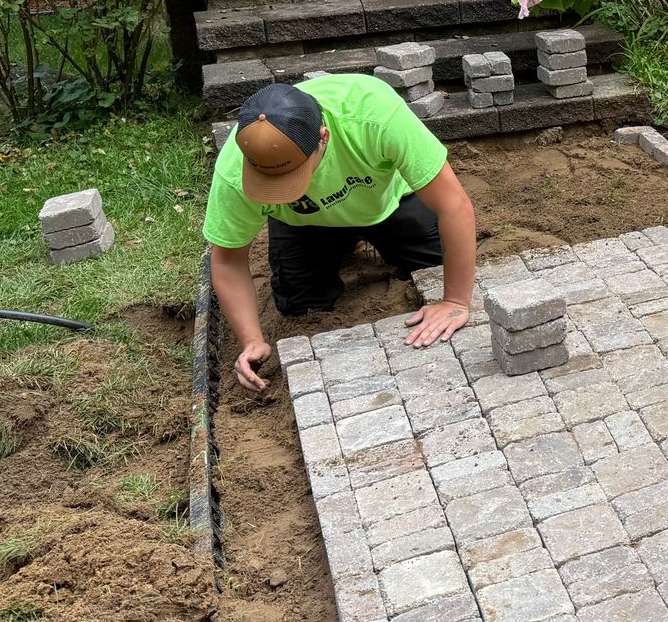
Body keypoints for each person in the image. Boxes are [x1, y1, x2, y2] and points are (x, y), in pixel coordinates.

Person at [203, 76, 477, 392]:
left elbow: (454, 205)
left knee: (437, 267)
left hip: (387, 202)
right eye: (271, 182)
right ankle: (340, 246)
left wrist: (455, 301)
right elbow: (227, 261)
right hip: (304, 223)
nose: (283, 187)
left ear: (324, 138)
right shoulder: (234, 171)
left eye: (293, 177)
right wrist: (251, 339)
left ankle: (363, 239)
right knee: (300, 307)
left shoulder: (374, 114)